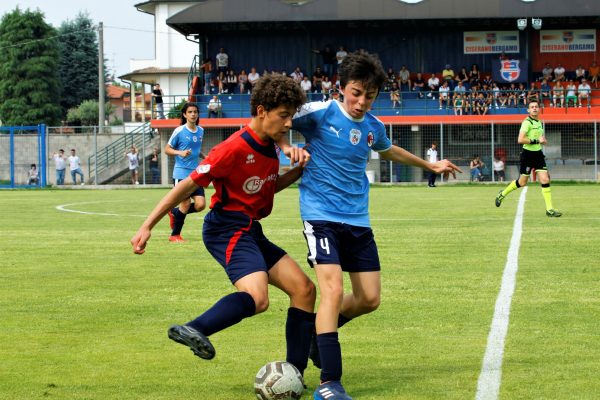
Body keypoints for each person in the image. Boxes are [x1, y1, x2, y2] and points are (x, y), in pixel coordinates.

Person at [279, 50, 461, 400]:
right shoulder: (318, 113)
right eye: (356, 93)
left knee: (369, 298)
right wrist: (288, 146)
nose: (361, 102)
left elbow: (389, 150)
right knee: (331, 290)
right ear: (342, 88)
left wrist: (430, 165)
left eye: (370, 96)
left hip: (358, 220)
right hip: (320, 215)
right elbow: (278, 122)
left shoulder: (373, 127)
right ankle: (329, 383)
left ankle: (322, 334)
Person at [130, 73, 317, 381]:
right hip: (226, 229)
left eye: (290, 117)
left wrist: (297, 171)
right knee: (258, 298)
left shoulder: (271, 141)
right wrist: (147, 225)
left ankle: (294, 373)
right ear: (261, 111)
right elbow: (186, 187)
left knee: (305, 290)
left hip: (250, 230)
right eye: (283, 116)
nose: (288, 124)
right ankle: (196, 328)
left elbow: (266, 187)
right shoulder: (230, 149)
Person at [495, 100, 561, 217]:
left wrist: (543, 141)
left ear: (539, 109)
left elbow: (540, 138)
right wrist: (536, 141)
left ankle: (549, 209)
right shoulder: (527, 122)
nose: (535, 108)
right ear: (528, 110)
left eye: (536, 106)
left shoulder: (540, 123)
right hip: (527, 155)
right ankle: (502, 194)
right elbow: (520, 139)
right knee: (522, 182)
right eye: (532, 107)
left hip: (538, 154)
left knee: (545, 180)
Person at [165, 102, 207, 242]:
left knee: (201, 205)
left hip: (195, 173)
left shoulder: (201, 130)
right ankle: (174, 235)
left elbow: (196, 150)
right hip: (181, 173)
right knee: (185, 203)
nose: (193, 114)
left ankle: (174, 212)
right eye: (190, 112)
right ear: (184, 114)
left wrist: (205, 157)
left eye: (195, 111)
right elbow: (167, 149)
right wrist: (180, 152)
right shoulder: (179, 131)